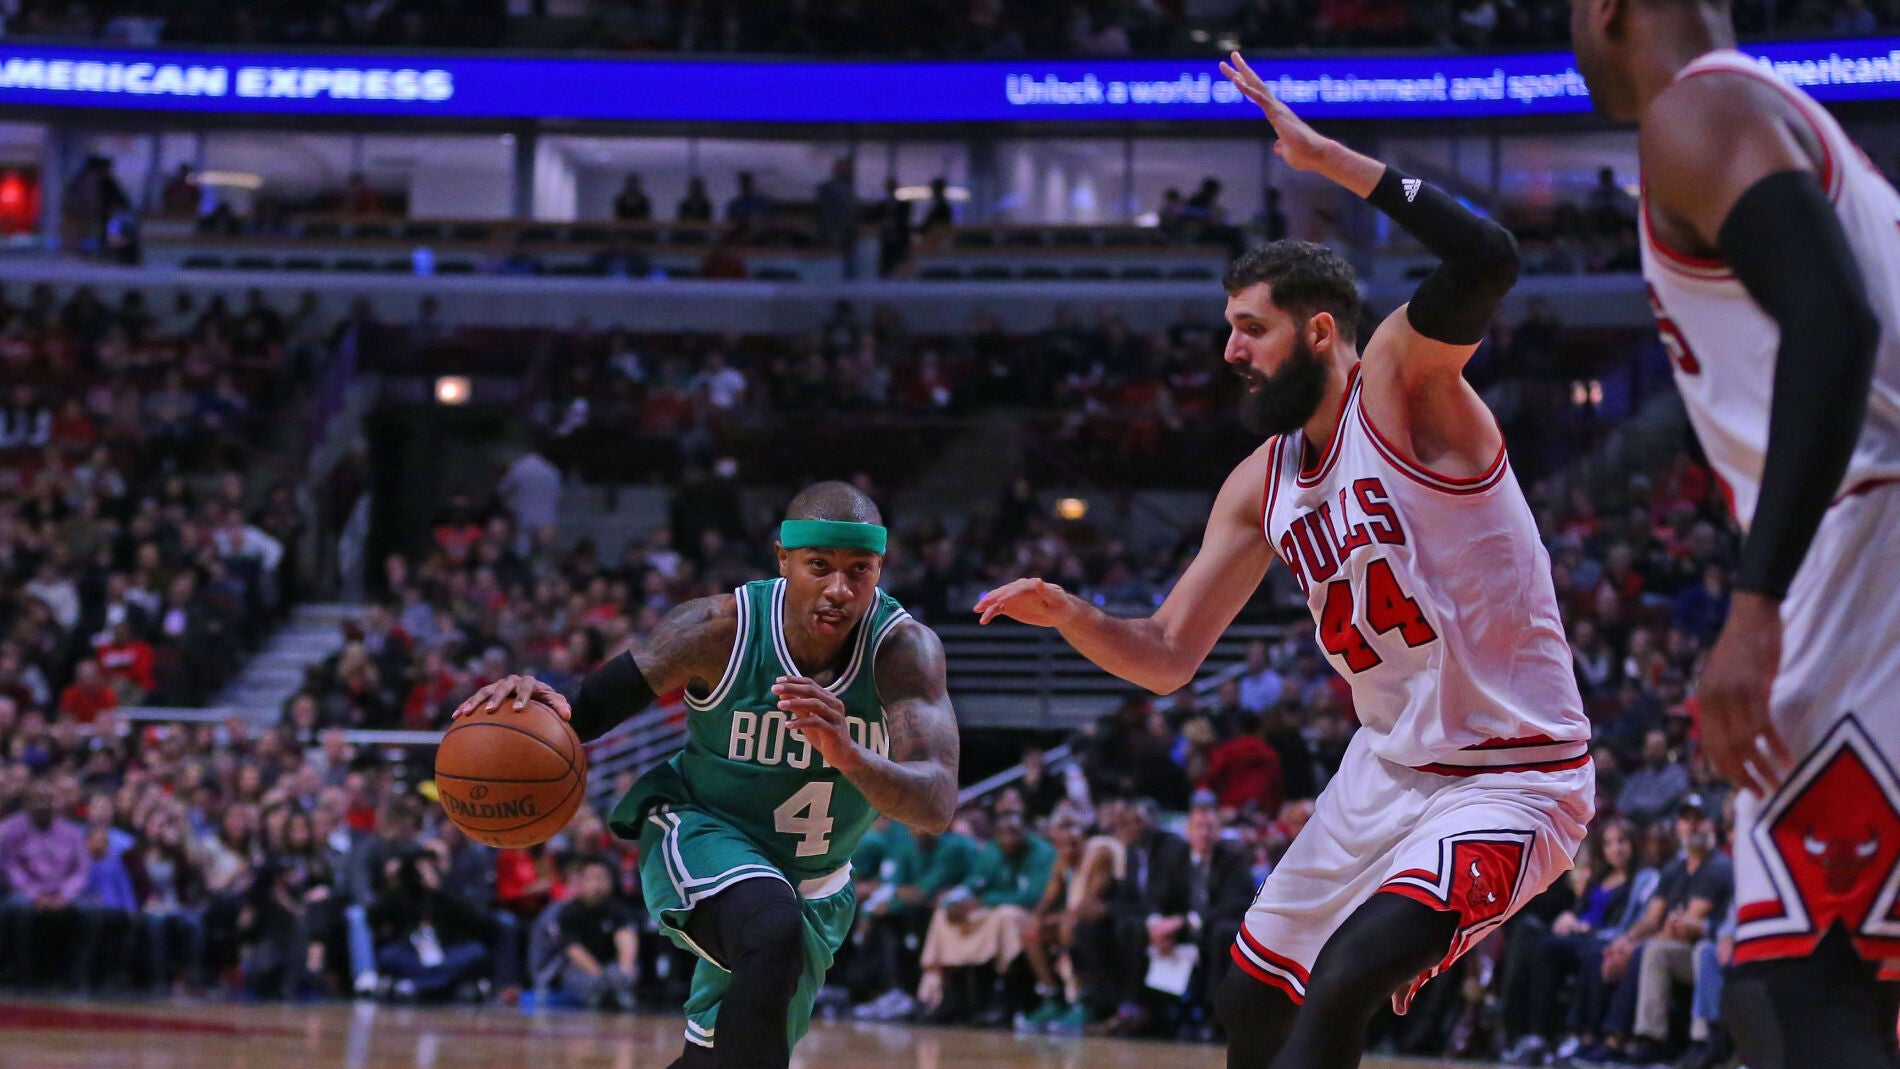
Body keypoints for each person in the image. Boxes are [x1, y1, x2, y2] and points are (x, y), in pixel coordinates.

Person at [975, 52, 1594, 1069]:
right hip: (1385, 768)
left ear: (1318, 331)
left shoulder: (1401, 388)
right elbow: (1171, 653)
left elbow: (1485, 258)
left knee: (1349, 975)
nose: (1229, 352)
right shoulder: (1257, 481)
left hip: (1509, 772)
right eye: (1227, 330)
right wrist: (1075, 616)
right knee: (1250, 995)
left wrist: (1327, 161)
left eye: (1248, 330)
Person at [1572, 5, 1900, 1067]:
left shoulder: (1698, 109)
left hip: (1864, 550)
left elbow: (1833, 321)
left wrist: (1751, 604)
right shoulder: (1788, 121)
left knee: (1800, 982)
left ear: (1608, 8)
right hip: (1868, 547)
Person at [455, 480, 958, 1069]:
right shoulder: (717, 629)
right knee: (772, 929)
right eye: (818, 567)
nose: (839, 590)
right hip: (702, 829)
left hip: (818, 881)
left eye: (860, 571)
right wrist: (526, 708)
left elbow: (936, 804)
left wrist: (849, 753)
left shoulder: (903, 652)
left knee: (715, 1057)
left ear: (880, 570)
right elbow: (582, 712)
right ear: (783, 560)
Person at [555, 856, 639, 1010]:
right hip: (583, 970)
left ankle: (621, 1002)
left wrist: (624, 971)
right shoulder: (569, 913)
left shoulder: (619, 910)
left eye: (601, 878)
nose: (596, 885)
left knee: (626, 974)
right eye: (591, 878)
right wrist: (600, 976)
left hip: (612, 968)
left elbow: (626, 942)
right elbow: (573, 949)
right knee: (584, 981)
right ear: (580, 882)